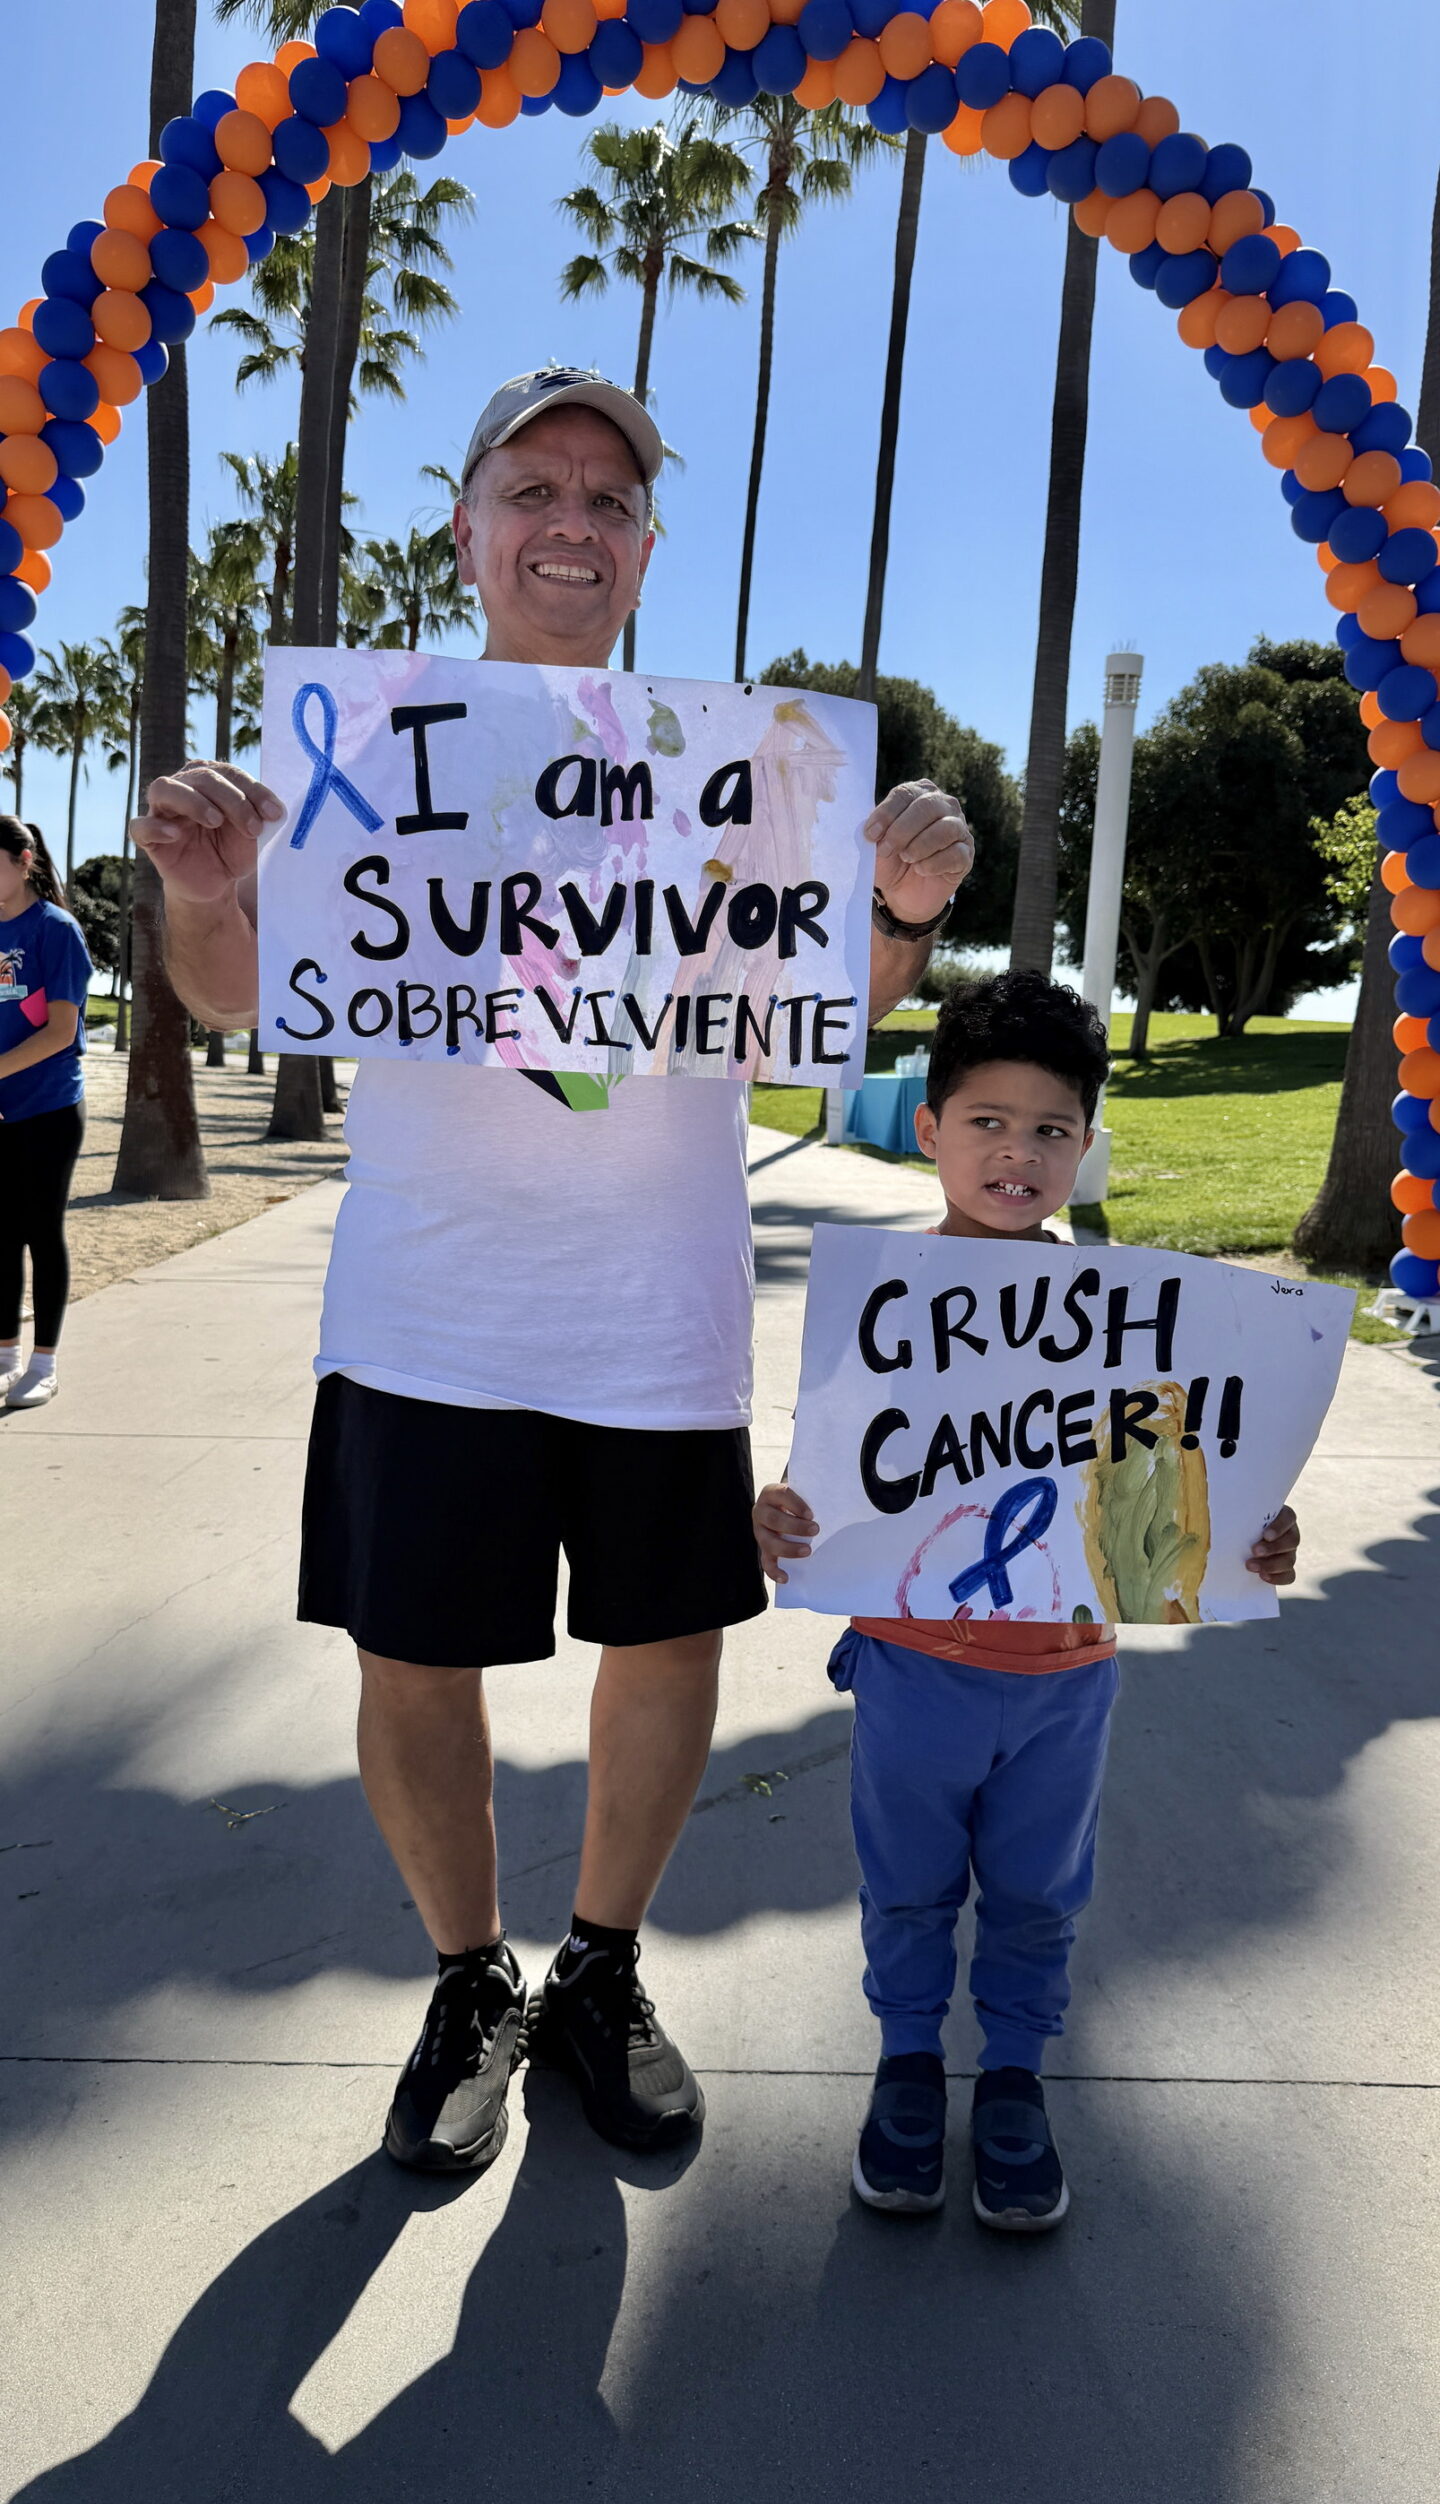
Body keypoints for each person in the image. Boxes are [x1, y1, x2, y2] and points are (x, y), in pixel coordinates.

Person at [130, 365, 977, 2175]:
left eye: (609, 498)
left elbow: (818, 1005)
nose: (571, 523)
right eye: (535, 489)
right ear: (467, 530)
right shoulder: (367, 748)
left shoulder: (746, 769)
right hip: (426, 1313)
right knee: (415, 1657)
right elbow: (241, 988)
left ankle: (600, 1967)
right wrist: (207, 889)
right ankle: (468, 1982)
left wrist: (899, 910)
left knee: (665, 1647)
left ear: (648, 548)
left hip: (658, 1315)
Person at [753, 971, 1302, 2230]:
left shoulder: (1133, 1321)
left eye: (1052, 1128)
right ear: (929, 1127)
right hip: (911, 1667)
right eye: (989, 1121)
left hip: (1067, 1681)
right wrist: (778, 1515)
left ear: (1087, 1146)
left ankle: (1013, 2075)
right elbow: (829, 1477)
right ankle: (906, 2061)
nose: (1019, 1152)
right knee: (906, 1886)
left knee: (1041, 1894)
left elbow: (1176, 1497)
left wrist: (1248, 1537)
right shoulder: (879, 1304)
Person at [0, 817, 92, 1413]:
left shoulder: (56, 929)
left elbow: (60, 1032)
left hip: (50, 1108)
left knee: (41, 1230)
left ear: (24, 861)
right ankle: (5, 1356)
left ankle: (43, 1364)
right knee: (0, 1235)